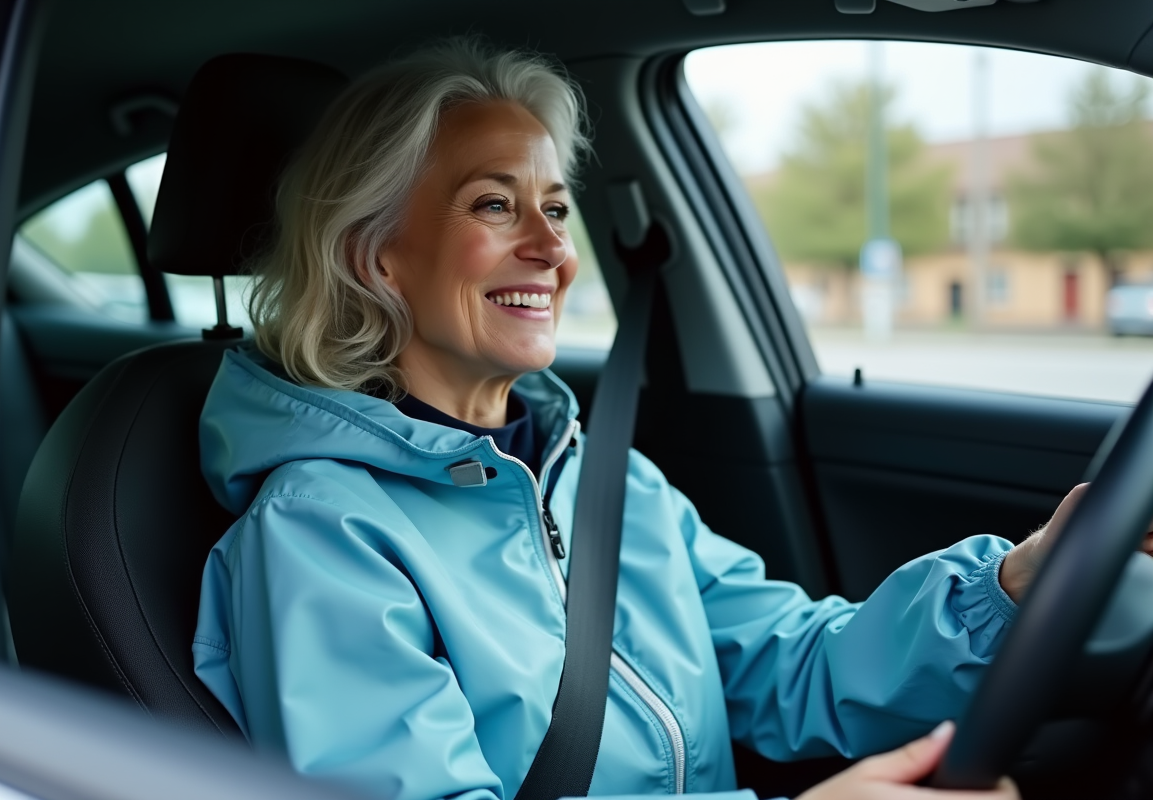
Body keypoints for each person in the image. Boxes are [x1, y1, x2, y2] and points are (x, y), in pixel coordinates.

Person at [191, 38, 1140, 800]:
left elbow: (794, 665)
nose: (552, 248)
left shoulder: (602, 476)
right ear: (376, 258)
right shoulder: (321, 530)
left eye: (558, 209)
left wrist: (1015, 583)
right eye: (495, 204)